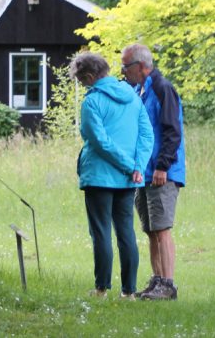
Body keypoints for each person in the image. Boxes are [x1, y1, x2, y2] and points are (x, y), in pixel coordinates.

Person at [70, 51, 154, 299]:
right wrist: (137, 166)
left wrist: (130, 166)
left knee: (101, 232)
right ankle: (128, 291)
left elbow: (99, 142)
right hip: (128, 179)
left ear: (89, 76)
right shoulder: (133, 97)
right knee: (126, 232)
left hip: (99, 177)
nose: (82, 85)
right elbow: (146, 135)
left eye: (81, 80)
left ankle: (102, 288)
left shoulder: (92, 102)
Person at [121, 43, 186, 301]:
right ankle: (157, 280)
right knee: (150, 229)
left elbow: (172, 130)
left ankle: (168, 284)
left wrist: (163, 166)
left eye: (126, 66)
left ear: (140, 66)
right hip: (145, 172)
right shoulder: (140, 90)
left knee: (162, 228)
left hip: (163, 171)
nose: (123, 71)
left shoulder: (162, 88)